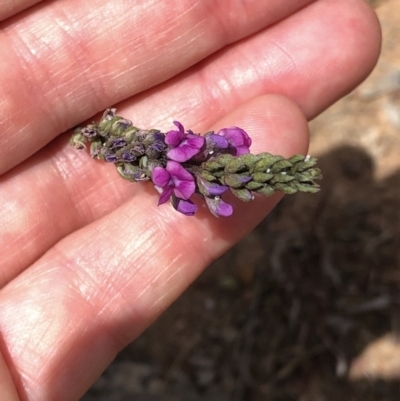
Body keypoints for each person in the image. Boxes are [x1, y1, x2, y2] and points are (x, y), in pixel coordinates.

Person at [0, 0, 381, 399]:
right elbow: (166, 162)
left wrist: (181, 166)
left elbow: (176, 165)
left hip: (170, 157)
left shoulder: (180, 166)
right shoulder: (167, 164)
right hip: (157, 154)